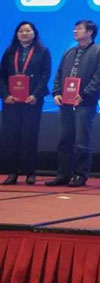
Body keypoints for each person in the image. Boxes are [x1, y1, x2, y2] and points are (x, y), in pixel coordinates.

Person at [48, 20, 100, 187]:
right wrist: (56, 92)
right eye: (75, 29)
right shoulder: (69, 52)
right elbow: (59, 74)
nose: (75, 31)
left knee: (82, 140)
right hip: (65, 102)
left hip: (85, 102)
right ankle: (63, 174)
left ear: (90, 32)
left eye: (79, 29)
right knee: (64, 139)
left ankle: (80, 175)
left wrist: (84, 95)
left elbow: (99, 77)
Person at [0, 21, 52, 185]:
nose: (24, 33)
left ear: (34, 33)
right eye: (21, 31)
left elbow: (45, 75)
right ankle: (12, 172)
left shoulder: (42, 51)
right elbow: (1, 75)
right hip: (11, 101)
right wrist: (5, 95)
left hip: (32, 101)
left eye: (28, 31)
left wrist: (35, 95)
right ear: (16, 34)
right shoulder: (9, 52)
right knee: (11, 136)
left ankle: (30, 172)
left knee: (29, 136)